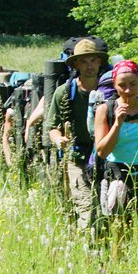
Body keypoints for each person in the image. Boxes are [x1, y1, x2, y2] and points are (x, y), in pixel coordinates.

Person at [93, 60, 138, 274]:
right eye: (122, 85)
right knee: (121, 233)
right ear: (114, 86)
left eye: (133, 84)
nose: (128, 90)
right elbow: (102, 151)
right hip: (118, 177)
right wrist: (118, 123)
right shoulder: (105, 110)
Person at [44, 39, 108, 231]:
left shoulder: (109, 89)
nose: (89, 66)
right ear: (76, 64)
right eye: (84, 61)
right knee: (87, 210)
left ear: (99, 62)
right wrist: (58, 139)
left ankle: (104, 254)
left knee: (108, 213)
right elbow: (51, 126)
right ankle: (88, 253)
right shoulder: (65, 92)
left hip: (107, 158)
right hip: (78, 158)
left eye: (93, 60)